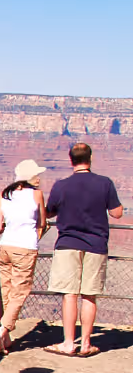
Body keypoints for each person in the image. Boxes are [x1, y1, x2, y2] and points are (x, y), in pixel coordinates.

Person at [46, 142, 123, 355]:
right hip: (96, 244)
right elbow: (117, 213)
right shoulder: (104, 183)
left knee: (69, 294)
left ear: (71, 160)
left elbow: (49, 212)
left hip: (68, 244)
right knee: (89, 295)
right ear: (90, 158)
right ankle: (86, 344)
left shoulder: (61, 185)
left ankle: (69, 343)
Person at [0, 159, 49, 353]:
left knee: (6, 290)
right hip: (25, 248)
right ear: (29, 177)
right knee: (19, 292)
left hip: (5, 246)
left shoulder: (3, 194)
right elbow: (42, 222)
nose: (39, 178)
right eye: (36, 174)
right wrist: (35, 236)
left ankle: (1, 336)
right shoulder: (37, 195)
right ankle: (2, 330)